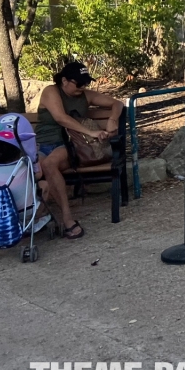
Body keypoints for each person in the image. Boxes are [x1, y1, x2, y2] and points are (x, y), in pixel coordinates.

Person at [35, 62, 124, 240]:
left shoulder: (86, 95)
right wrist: (91, 132)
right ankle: (35, 217)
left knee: (49, 164)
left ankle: (67, 219)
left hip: (68, 145)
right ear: (65, 80)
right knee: (31, 170)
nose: (83, 87)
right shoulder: (51, 91)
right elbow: (61, 118)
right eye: (79, 83)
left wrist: (113, 119)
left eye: (86, 83)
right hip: (41, 144)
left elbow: (117, 103)